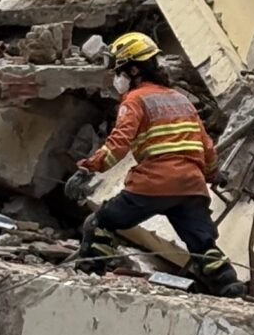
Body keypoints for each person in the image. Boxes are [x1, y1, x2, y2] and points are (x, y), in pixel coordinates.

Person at [65, 33, 244, 296]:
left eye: (119, 71)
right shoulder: (180, 99)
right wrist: (212, 174)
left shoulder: (135, 100)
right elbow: (206, 145)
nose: (117, 78)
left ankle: (87, 280)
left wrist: (88, 168)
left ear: (134, 70)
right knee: (203, 245)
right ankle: (230, 288)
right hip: (191, 186)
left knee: (101, 222)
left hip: (153, 184)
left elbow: (118, 144)